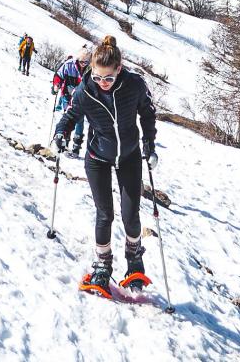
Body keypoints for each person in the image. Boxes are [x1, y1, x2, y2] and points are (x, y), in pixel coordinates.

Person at [54, 35, 157, 296]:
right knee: (105, 214)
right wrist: (60, 134)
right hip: (98, 157)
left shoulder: (133, 85)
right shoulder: (86, 90)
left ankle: (134, 260)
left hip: (129, 156)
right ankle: (103, 264)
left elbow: (147, 111)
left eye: (109, 78)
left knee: (131, 214)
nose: (103, 83)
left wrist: (149, 144)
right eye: (98, 77)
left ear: (119, 69)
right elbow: (72, 114)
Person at [51, 45, 91, 156]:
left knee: (80, 121)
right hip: (67, 95)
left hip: (81, 98)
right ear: (78, 59)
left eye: (86, 62)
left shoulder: (89, 70)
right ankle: (65, 141)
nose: (84, 65)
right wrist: (56, 84)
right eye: (82, 62)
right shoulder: (69, 65)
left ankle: (76, 146)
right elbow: (58, 75)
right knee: (69, 117)